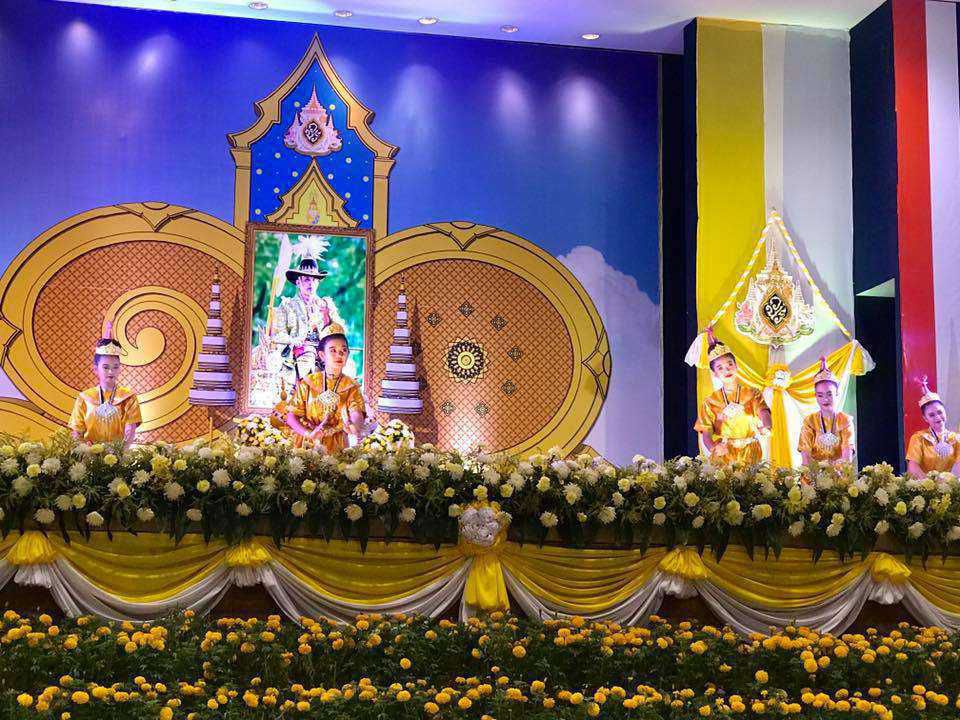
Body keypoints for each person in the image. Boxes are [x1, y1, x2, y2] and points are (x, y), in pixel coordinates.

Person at [286, 322, 365, 454]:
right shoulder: (308, 383)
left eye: (343, 350)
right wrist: (309, 434)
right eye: (333, 350)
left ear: (348, 354)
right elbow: (291, 416)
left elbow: (356, 413)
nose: (339, 354)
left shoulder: (351, 386)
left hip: (338, 446)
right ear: (322, 355)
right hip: (307, 444)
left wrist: (353, 426)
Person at [694, 333, 772, 465]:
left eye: (730, 364)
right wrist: (714, 448)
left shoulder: (752, 393)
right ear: (715, 373)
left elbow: (763, 411)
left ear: (736, 366)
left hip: (751, 450)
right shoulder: (710, 401)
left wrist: (767, 425)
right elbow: (705, 431)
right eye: (720, 368)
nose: (727, 370)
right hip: (724, 452)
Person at [269, 256, 345, 384]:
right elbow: (277, 334)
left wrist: (327, 318)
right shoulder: (287, 305)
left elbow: (340, 332)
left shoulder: (326, 305)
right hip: (299, 352)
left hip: (325, 351)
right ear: (298, 282)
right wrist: (293, 340)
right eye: (307, 280)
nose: (311, 283)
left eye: (314, 280)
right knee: (308, 360)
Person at [68, 322, 141, 445]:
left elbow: (130, 431)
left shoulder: (128, 397)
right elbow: (77, 433)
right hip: (89, 453)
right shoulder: (84, 398)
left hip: (118, 453)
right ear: (96, 369)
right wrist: (84, 450)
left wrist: (121, 451)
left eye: (115, 367)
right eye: (106, 367)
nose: (111, 371)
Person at [798, 356, 855, 465]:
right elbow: (805, 455)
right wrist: (812, 473)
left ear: (836, 393)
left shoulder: (845, 420)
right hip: (814, 473)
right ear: (815, 396)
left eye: (829, 394)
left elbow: (847, 456)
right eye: (820, 395)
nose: (825, 399)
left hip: (839, 473)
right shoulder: (809, 421)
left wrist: (837, 471)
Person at [906, 376, 960, 476]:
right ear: (925, 418)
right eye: (931, 415)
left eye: (940, 412)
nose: (938, 417)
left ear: (945, 411)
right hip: (925, 484)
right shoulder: (918, 438)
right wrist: (928, 483)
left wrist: (949, 481)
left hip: (951, 484)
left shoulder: (956, 439)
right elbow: (913, 466)